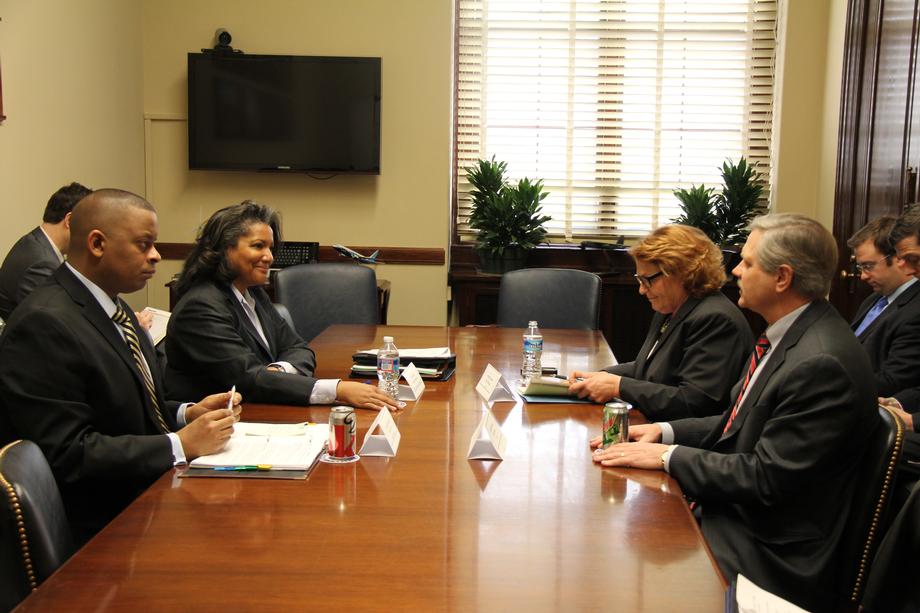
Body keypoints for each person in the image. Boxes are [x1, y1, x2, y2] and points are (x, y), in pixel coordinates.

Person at [591, 214, 878, 612]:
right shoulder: (788, 334)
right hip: (744, 516)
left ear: (782, 277)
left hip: (771, 549)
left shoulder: (820, 361)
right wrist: (665, 432)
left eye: (747, 262)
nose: (735, 271)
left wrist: (668, 457)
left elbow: (765, 478)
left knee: (622, 567)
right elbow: (736, 422)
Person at [0, 189, 239, 544]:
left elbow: (124, 406)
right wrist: (178, 445)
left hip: (147, 494)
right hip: (105, 524)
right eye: (144, 244)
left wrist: (186, 414)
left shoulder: (114, 307)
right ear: (97, 244)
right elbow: (67, 453)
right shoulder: (44, 322)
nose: (156, 255)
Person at [165, 200, 398, 411]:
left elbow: (299, 348)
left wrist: (277, 371)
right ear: (225, 249)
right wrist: (337, 390)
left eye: (270, 248)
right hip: (218, 427)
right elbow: (247, 378)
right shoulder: (201, 307)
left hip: (259, 413)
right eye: (258, 246)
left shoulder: (253, 292)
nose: (269, 256)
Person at [568, 224, 753, 420]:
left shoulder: (715, 319)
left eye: (647, 280)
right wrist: (600, 376)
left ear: (682, 273)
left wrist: (619, 387)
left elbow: (695, 402)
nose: (641, 290)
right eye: (639, 279)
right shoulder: (672, 308)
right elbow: (649, 368)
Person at [846, 216, 920, 396]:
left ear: (896, 258)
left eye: (868, 266)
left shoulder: (915, 311)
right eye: (860, 267)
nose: (863, 276)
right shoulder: (873, 300)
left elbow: (894, 381)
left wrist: (829, 386)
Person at [0, 182, 91, 319]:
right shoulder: (41, 262)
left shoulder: (35, 242)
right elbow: (59, 319)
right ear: (70, 220)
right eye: (89, 227)